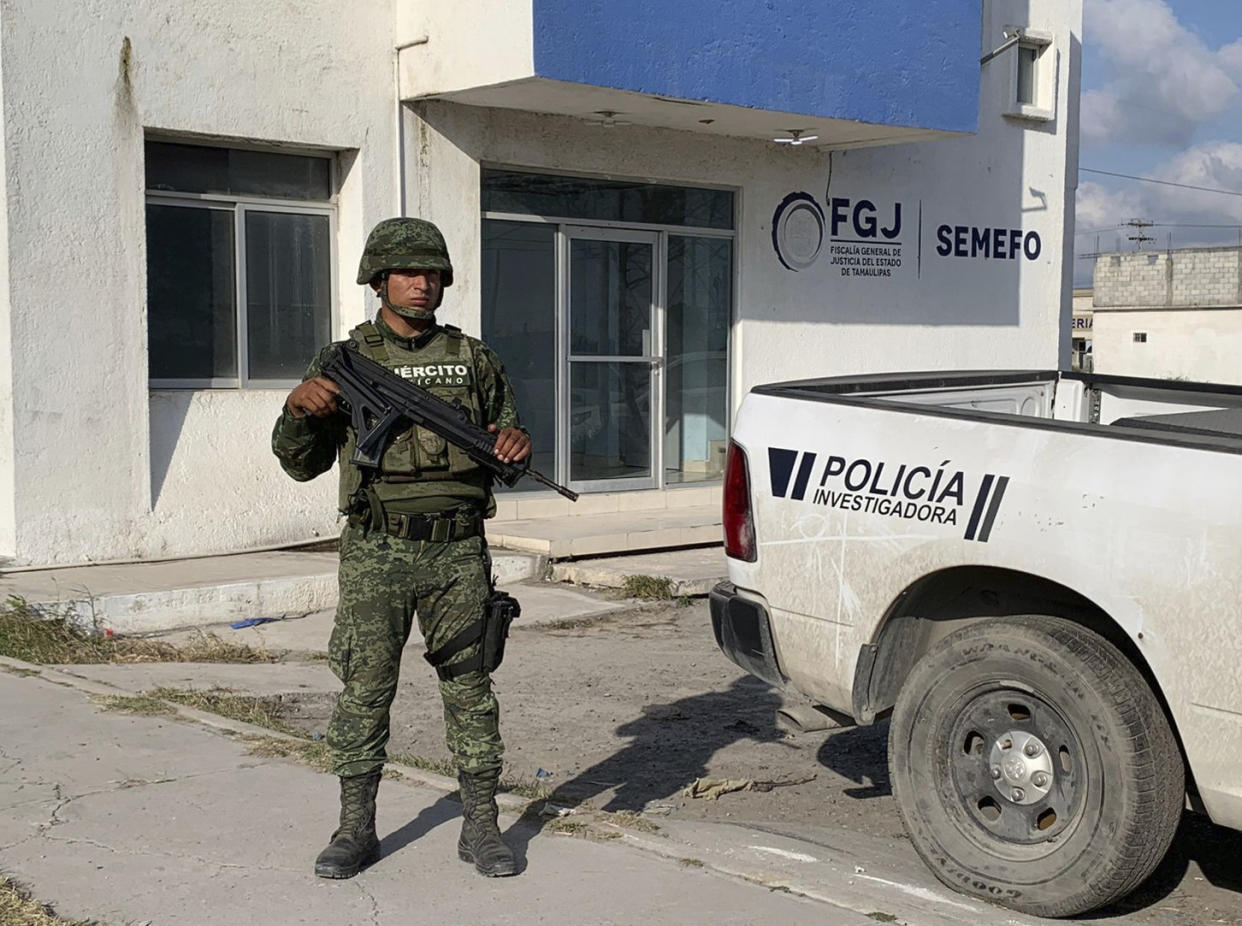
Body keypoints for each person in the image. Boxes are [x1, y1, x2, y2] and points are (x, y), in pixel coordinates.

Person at [271, 217, 531, 880]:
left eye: (432, 272)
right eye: (408, 272)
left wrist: (516, 446)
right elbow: (299, 465)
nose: (422, 283)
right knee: (365, 689)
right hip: (377, 550)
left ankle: (481, 827)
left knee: (471, 688)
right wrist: (299, 412)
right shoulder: (345, 360)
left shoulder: (475, 359)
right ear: (378, 279)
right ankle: (355, 829)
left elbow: (508, 446)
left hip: (457, 552)